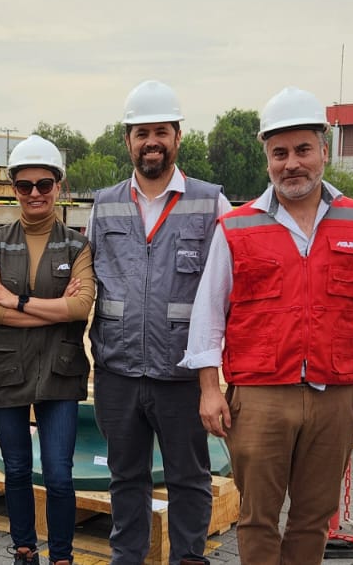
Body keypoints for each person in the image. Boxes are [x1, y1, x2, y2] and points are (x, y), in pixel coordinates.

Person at [180, 86, 353, 565]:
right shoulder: (237, 227)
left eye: (302, 150)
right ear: (267, 158)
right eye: (280, 153)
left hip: (336, 395)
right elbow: (209, 313)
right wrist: (209, 389)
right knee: (257, 517)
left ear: (324, 150)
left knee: (313, 519)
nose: (291, 163)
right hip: (258, 398)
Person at [88, 81, 229, 565]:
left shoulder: (212, 204)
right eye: (142, 132)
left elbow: (231, 290)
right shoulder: (104, 204)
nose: (152, 141)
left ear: (177, 137)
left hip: (182, 375)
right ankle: (127, 558)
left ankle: (188, 557)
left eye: (161, 131)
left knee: (189, 477)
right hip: (118, 372)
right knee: (125, 476)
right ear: (127, 139)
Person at [0, 135, 96, 565]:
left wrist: (16, 301)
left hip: (59, 373)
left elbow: (80, 308)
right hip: (6, 369)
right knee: (18, 469)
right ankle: (25, 549)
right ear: (14, 190)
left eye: (44, 184)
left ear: (59, 186)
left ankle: (61, 556)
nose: (36, 193)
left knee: (59, 474)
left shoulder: (78, 246)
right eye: (25, 186)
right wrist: (52, 310)